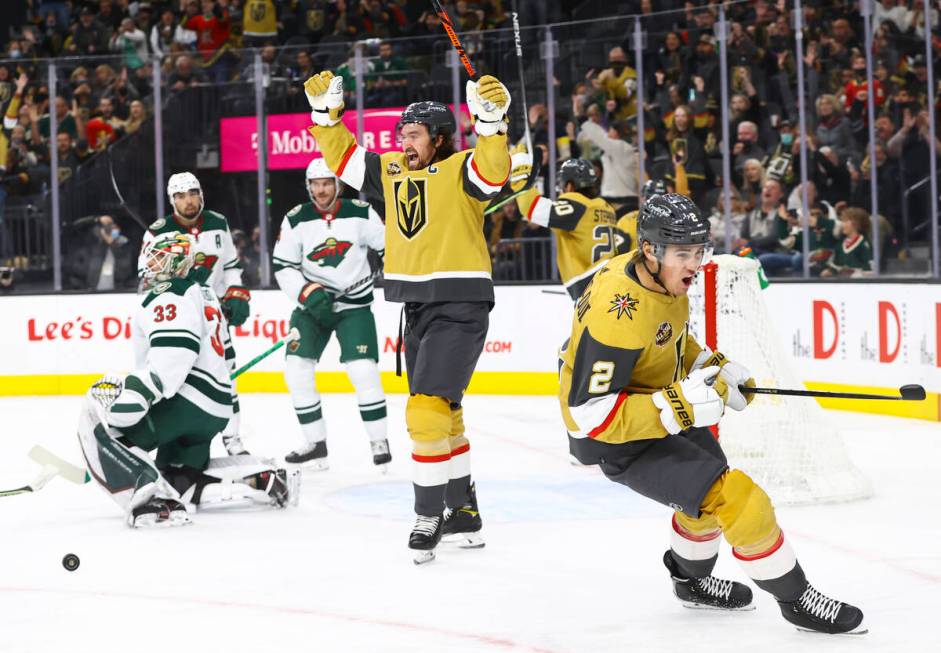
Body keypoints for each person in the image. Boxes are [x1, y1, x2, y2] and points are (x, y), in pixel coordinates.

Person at [557, 192, 865, 635]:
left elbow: (669, 342)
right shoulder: (618, 312)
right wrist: (678, 405)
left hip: (649, 404)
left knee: (703, 504)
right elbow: (588, 414)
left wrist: (712, 368)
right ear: (651, 249)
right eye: (684, 253)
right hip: (616, 436)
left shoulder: (655, 277)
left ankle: (690, 583)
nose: (694, 264)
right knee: (740, 498)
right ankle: (797, 600)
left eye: (698, 251)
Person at [303, 69, 511, 563]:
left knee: (424, 413)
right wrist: (324, 117)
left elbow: (494, 170)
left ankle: (428, 513)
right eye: (401, 136)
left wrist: (490, 123)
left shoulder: (463, 167)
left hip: (460, 306)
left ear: (440, 139)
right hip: (416, 308)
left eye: (413, 135)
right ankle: (463, 513)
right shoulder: (391, 169)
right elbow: (346, 160)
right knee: (446, 415)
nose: (404, 143)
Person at [78, 233, 297, 528]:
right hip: (213, 408)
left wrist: (141, 391)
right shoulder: (204, 293)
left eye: (156, 258)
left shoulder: (169, 293)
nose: (149, 264)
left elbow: (175, 352)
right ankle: (261, 479)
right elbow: (227, 358)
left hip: (184, 402)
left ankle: (151, 505)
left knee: (105, 429)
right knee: (179, 481)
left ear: (175, 262)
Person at [273, 158, 389, 471]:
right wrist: (308, 293)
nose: (321, 190)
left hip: (354, 306)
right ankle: (315, 444)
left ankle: (379, 441)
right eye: (316, 184)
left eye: (327, 183)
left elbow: (388, 247)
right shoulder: (295, 219)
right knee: (297, 370)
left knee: (363, 371)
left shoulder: (361, 212)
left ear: (337, 184)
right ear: (308, 187)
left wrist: (392, 264)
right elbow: (284, 266)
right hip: (312, 309)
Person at [138, 172, 252, 457]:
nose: (187, 201)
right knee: (176, 379)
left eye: (192, 193)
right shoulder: (157, 231)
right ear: (171, 200)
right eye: (179, 196)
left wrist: (235, 293)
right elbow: (146, 278)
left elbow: (231, 266)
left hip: (212, 315)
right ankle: (173, 442)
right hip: (179, 316)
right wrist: (182, 280)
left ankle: (232, 438)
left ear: (201, 194)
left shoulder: (218, 222)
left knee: (227, 376)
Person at [509, 156, 617, 300]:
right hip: (610, 280)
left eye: (562, 185)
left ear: (570, 186)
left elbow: (531, 207)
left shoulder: (576, 205)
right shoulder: (605, 207)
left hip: (592, 286)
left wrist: (520, 173)